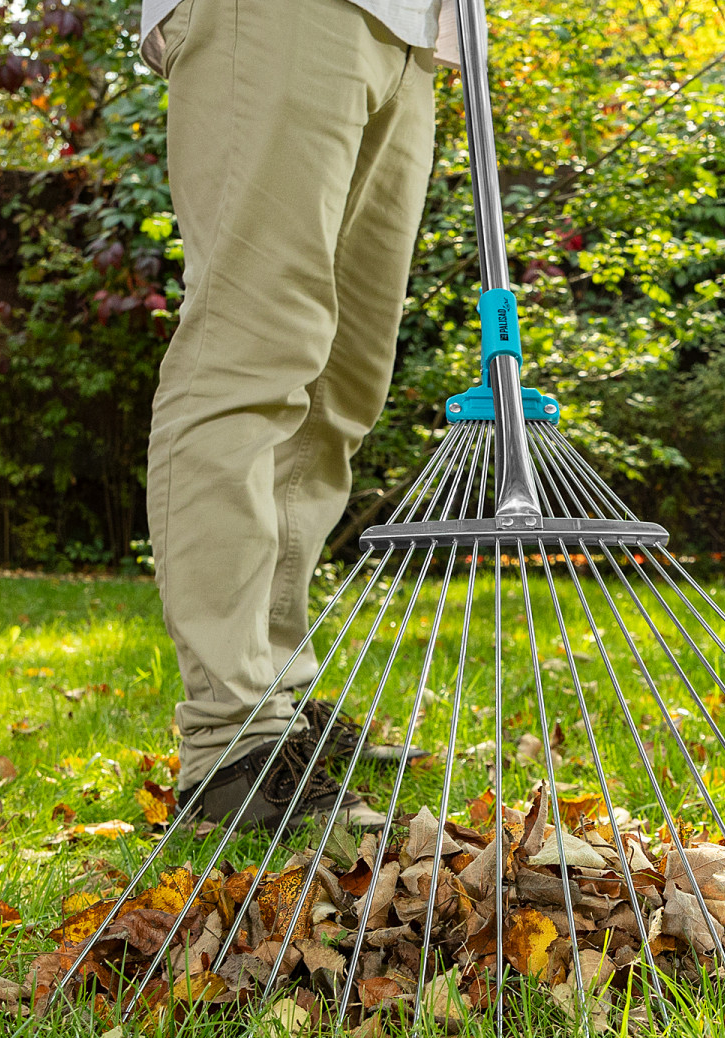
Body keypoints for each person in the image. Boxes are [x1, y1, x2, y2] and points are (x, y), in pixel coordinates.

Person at [140, 0, 457, 830]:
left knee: (342, 384)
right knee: (249, 352)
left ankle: (277, 698)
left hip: (412, 32)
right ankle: (231, 738)